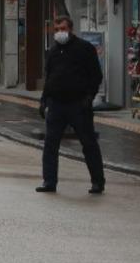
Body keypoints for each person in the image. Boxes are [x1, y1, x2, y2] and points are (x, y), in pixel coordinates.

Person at [37, 16, 105, 194]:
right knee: (50, 144)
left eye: (63, 28)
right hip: (56, 104)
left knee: (88, 143)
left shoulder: (84, 49)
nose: (60, 32)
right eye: (57, 29)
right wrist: (44, 99)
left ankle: (98, 181)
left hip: (78, 104)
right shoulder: (53, 51)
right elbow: (49, 77)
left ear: (71, 29)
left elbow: (96, 75)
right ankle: (49, 181)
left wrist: (89, 96)